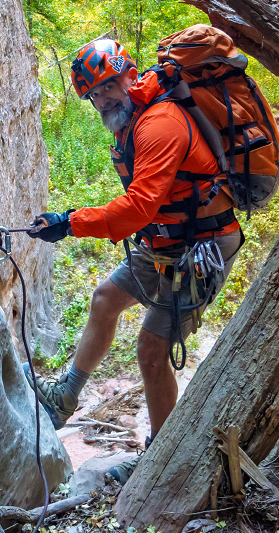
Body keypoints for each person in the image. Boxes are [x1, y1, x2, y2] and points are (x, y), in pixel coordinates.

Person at [25, 38, 243, 483]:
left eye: (107, 85)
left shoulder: (159, 123)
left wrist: (71, 222)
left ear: (129, 74)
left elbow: (139, 207)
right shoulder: (130, 123)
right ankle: (64, 398)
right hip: (166, 242)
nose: (103, 99)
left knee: (151, 348)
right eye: (94, 94)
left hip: (203, 246)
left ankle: (160, 459)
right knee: (106, 298)